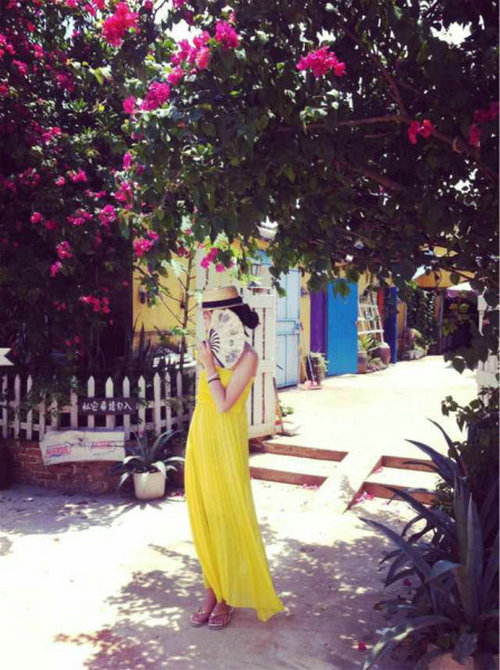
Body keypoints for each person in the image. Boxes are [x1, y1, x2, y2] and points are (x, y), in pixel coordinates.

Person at [185, 285, 284, 629]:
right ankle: (211, 592)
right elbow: (205, 402)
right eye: (205, 314)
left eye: (210, 313)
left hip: (225, 440)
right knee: (204, 516)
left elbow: (224, 403)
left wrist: (209, 366)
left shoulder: (248, 357)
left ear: (227, 315)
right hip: (201, 435)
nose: (206, 319)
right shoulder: (212, 348)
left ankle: (226, 597)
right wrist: (209, 361)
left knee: (226, 515)